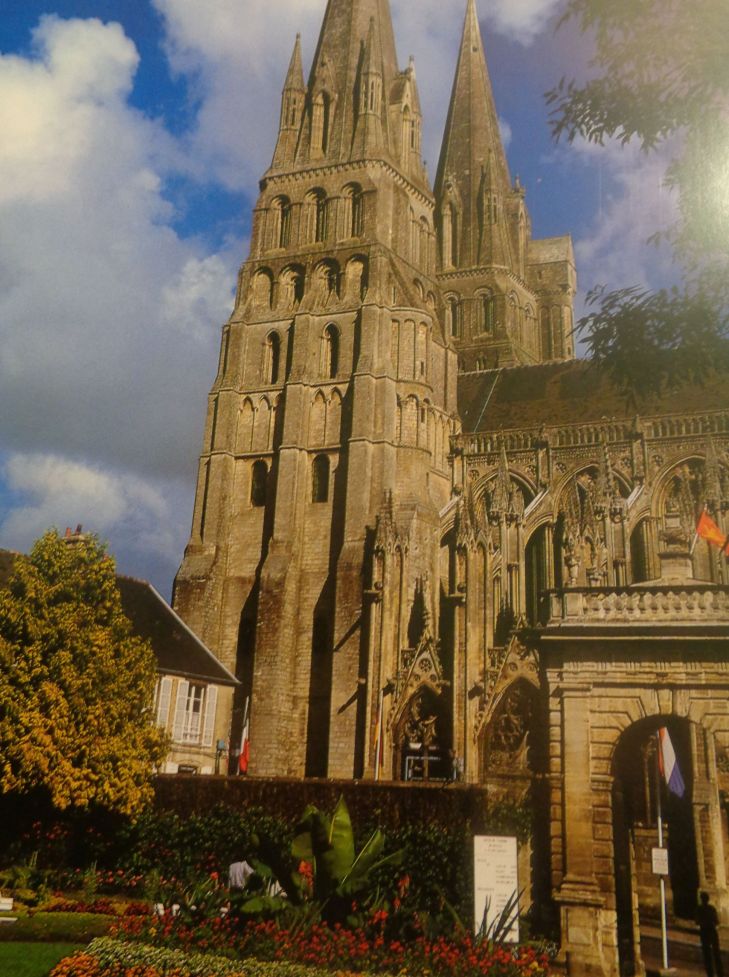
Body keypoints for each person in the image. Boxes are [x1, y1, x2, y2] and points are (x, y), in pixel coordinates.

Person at [696, 891, 724, 977]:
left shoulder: (699, 909)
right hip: (712, 931)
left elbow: (697, 922)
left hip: (704, 932)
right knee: (716, 953)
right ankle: (720, 973)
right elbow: (717, 921)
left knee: (707, 954)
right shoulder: (712, 908)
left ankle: (710, 974)